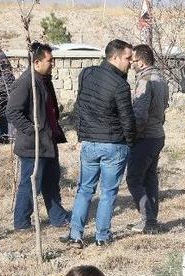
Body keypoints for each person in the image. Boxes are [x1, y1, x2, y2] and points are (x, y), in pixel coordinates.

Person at [61, 39, 136, 249]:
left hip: (90, 144)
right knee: (108, 193)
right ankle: (102, 237)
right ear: (115, 57)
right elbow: (127, 119)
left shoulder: (87, 74)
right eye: (128, 58)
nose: (131, 62)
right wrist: (131, 143)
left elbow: (79, 107)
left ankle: (75, 235)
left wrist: (81, 135)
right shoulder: (121, 85)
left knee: (84, 189)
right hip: (113, 145)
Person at [8, 42, 69, 231]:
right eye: (49, 60)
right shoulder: (26, 82)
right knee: (30, 185)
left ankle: (58, 217)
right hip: (33, 145)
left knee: (51, 181)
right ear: (37, 62)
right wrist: (32, 130)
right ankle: (22, 222)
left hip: (48, 141)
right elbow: (12, 112)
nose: (52, 64)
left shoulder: (44, 79)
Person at [125, 44, 169, 233]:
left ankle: (148, 220)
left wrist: (133, 136)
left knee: (134, 179)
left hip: (145, 137)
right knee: (150, 178)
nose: (131, 64)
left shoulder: (145, 81)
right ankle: (151, 219)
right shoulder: (161, 79)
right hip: (157, 135)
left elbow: (140, 115)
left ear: (141, 62)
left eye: (133, 60)